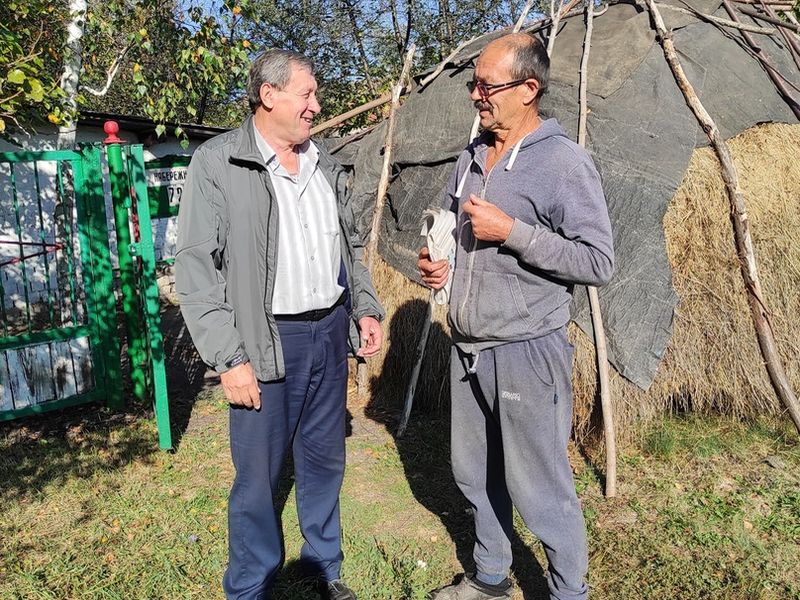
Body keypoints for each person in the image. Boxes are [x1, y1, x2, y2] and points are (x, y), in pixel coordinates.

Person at [175, 49, 384, 600]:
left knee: (323, 460)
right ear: (269, 96)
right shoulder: (220, 163)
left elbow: (349, 250)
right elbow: (197, 268)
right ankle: (251, 586)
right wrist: (229, 357)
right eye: (307, 94)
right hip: (266, 339)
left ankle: (322, 566)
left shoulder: (325, 164)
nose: (316, 106)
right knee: (259, 478)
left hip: (328, 331)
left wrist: (363, 306)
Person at [418, 33, 614, 600]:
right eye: (474, 83)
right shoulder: (472, 155)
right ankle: (491, 579)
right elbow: (459, 233)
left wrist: (516, 234)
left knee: (540, 487)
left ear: (529, 89)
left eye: (488, 85)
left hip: (529, 348)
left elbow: (598, 260)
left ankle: (568, 592)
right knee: (473, 474)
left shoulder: (564, 164)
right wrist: (441, 267)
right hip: (468, 344)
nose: (477, 95)